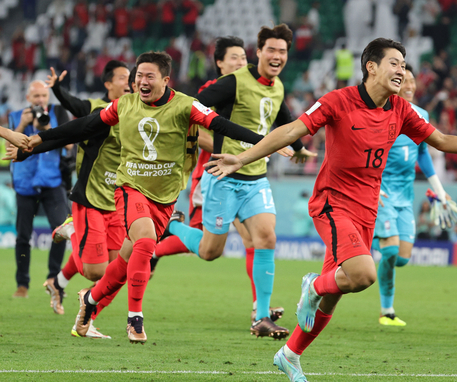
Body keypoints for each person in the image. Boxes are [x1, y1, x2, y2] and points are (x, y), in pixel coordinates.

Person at [204, 38, 457, 381]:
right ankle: (313, 286)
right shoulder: (338, 101)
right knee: (363, 275)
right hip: (333, 203)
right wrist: (242, 157)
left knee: (340, 290)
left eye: (404, 65)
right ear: (371, 67)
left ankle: (290, 354)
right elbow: (290, 129)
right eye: (394, 63)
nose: (401, 70)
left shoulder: (400, 109)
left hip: (366, 211)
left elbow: (439, 140)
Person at [26, 51, 272, 344]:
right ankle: (135, 319)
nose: (141, 81)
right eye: (138, 75)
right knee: (144, 242)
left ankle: (90, 299)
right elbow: (82, 126)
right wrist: (37, 142)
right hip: (129, 188)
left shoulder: (185, 105)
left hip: (165, 197)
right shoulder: (123, 105)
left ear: (166, 80)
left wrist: (265, 142)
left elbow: (221, 125)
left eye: (149, 76)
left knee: (124, 262)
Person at [159, 25, 316, 340]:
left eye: (282, 51)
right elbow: (191, 105)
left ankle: (261, 317)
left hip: (256, 179)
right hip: (224, 178)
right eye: (270, 50)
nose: (276, 56)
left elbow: (285, 120)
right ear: (258, 52)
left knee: (266, 238)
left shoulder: (277, 87)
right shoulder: (232, 82)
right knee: (209, 251)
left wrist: (299, 149)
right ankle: (172, 226)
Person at [9, 61, 132, 338]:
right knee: (95, 272)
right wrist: (29, 146)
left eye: (131, 78)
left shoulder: (139, 116)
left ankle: (80, 312)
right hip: (89, 195)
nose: (130, 82)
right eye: (123, 77)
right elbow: (67, 131)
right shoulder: (99, 111)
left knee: (116, 272)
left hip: (118, 200)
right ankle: (69, 238)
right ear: (108, 83)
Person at [372, 64, 454, 327]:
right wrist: (371, 184)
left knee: (402, 258)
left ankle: (371, 243)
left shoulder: (421, 114)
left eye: (412, 82)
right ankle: (387, 311)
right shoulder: (381, 112)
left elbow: (422, 153)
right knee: (392, 250)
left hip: (405, 197)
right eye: (403, 80)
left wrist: (439, 190)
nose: (408, 85)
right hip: (381, 193)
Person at [8, 80, 71, 298]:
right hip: (25, 185)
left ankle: (53, 278)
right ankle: (22, 284)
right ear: (28, 98)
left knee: (60, 231)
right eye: (36, 97)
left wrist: (47, 130)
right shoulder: (16, 116)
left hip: (52, 182)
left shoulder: (57, 113)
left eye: (44, 96)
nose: (40, 100)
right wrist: (22, 125)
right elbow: (8, 149)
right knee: (23, 236)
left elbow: (70, 144)